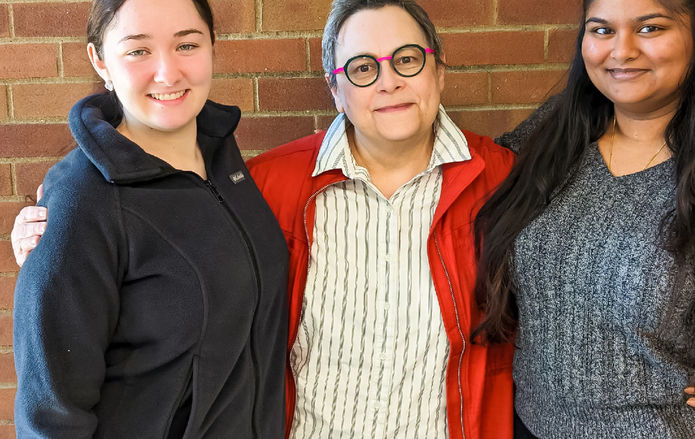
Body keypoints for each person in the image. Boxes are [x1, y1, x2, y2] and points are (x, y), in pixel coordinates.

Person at [12, 0, 516, 437]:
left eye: (408, 60)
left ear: (439, 70)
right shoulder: (272, 183)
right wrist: (56, 234)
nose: (389, 82)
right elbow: (53, 406)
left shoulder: (506, 180)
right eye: (362, 67)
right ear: (335, 89)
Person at [473, 0, 695, 437]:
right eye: (601, 30)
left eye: (650, 28)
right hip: (535, 427)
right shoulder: (553, 137)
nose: (621, 51)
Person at [11, 0, 288, 437]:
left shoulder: (221, 158)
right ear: (100, 61)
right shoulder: (83, 204)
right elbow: (50, 417)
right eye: (138, 50)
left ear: (212, 46)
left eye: (187, 45)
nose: (168, 72)